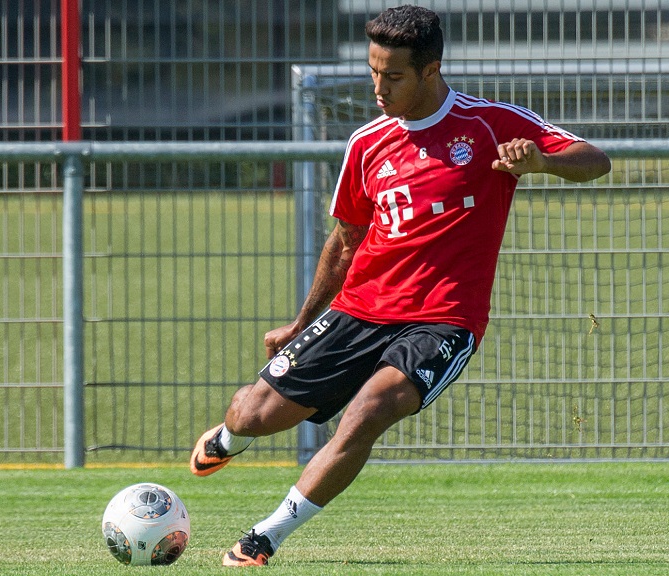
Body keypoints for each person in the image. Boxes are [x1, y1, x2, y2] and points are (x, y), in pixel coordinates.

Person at [189, 4, 611, 567]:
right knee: (252, 414)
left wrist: (541, 163)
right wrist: (301, 320)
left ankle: (266, 535)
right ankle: (229, 438)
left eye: (393, 76)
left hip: (444, 318)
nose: (378, 88)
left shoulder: (491, 124)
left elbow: (596, 159)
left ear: (430, 71)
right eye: (372, 72)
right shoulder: (367, 144)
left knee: (369, 409)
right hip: (359, 308)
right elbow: (345, 243)